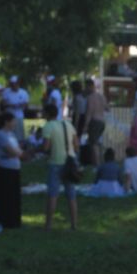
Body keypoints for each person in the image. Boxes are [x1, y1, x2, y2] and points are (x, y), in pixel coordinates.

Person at [43, 95, 79, 231]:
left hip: (55, 162)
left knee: (53, 194)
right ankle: (74, 224)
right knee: (71, 194)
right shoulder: (68, 124)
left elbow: (46, 147)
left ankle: (48, 225)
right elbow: (76, 144)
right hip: (70, 161)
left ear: (47, 114)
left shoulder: (48, 126)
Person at [0, 109, 22, 229]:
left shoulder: (12, 134)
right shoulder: (1, 134)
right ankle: (5, 220)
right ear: (6, 122)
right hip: (5, 168)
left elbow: (17, 150)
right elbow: (11, 151)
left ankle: (15, 220)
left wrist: (19, 153)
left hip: (15, 167)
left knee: (15, 195)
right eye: (13, 121)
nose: (15, 123)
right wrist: (19, 153)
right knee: (6, 195)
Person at [82, 79, 107, 164]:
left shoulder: (90, 97)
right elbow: (107, 108)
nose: (85, 89)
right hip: (102, 122)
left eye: (86, 87)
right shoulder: (101, 96)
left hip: (95, 121)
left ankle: (96, 164)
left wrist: (85, 125)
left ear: (90, 86)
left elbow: (89, 112)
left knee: (93, 144)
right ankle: (101, 160)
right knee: (99, 143)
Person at [0, 75, 29, 142]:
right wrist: (11, 105)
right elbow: (3, 104)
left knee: (19, 135)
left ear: (18, 83)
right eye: (12, 84)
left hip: (19, 117)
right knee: (9, 135)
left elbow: (26, 105)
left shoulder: (23, 92)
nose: (13, 85)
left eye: (15, 83)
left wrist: (20, 105)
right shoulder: (6, 92)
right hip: (9, 117)